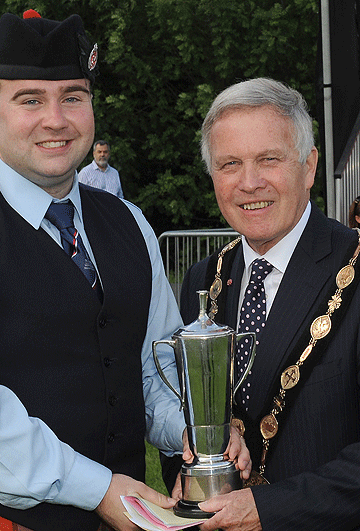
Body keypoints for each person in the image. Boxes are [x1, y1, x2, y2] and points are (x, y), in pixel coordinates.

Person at [0, 10, 249, 531]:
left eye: (73, 96)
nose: (56, 118)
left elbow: (153, 369)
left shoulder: (128, 223)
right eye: (30, 100)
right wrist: (98, 488)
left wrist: (194, 432)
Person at [168, 77, 360, 531]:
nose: (249, 183)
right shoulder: (202, 280)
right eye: (229, 163)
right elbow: (188, 414)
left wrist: (269, 510)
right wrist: (190, 473)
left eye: (268, 160)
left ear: (309, 166)